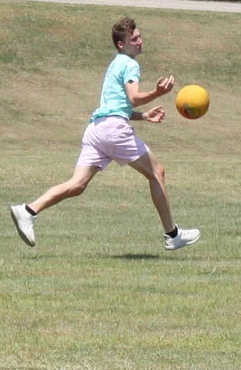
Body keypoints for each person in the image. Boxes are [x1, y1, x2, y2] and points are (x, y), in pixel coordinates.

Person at [10, 16, 200, 252]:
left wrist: (143, 116)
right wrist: (158, 92)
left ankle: (28, 210)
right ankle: (172, 234)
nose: (140, 41)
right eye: (134, 38)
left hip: (97, 129)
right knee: (157, 172)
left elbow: (115, 107)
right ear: (122, 44)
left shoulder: (116, 63)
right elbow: (133, 97)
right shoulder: (130, 64)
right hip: (112, 131)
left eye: (140, 36)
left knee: (77, 184)